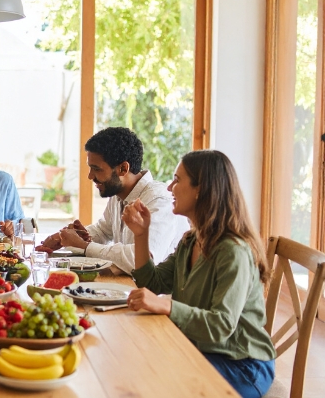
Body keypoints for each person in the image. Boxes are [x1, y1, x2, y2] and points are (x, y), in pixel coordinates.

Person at [122, 150, 276, 397]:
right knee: (138, 362)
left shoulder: (232, 251)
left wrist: (167, 306)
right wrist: (141, 235)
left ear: (200, 189)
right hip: (202, 349)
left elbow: (221, 326)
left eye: (177, 180)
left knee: (155, 381)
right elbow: (152, 282)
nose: (170, 187)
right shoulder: (191, 240)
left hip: (242, 364)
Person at [39, 127, 188, 274]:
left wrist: (85, 246)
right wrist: (65, 237)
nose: (90, 176)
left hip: (158, 296)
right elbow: (103, 231)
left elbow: (142, 262)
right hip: (131, 288)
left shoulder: (159, 201)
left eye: (96, 169)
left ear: (123, 169)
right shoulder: (119, 194)